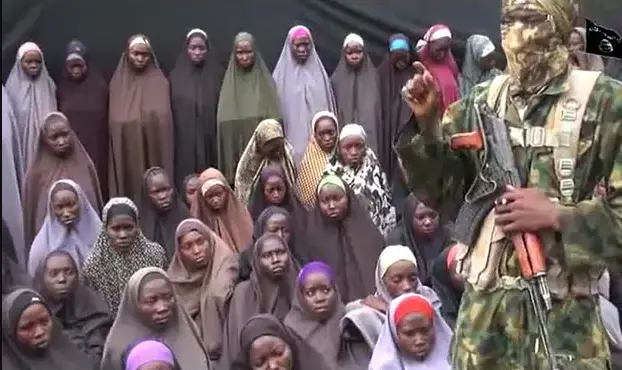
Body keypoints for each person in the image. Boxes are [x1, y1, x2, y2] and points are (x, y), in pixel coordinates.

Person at [397, 0, 621, 367]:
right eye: (508, 20)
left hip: (563, 324)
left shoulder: (604, 103)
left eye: (532, 19)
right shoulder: (482, 101)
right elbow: (442, 195)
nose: (517, 32)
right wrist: (428, 127)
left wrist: (558, 216)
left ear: (562, 24)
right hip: (485, 328)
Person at [101, 267, 210, 370]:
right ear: (134, 303)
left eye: (168, 297)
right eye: (151, 301)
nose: (162, 307)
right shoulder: (117, 349)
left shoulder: (188, 332)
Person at [22, 112, 103, 250]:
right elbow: (32, 213)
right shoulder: (36, 173)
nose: (61, 141)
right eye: (54, 137)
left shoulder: (85, 164)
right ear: (44, 139)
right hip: (51, 246)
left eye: (65, 134)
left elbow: (94, 204)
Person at [108, 34, 174, 199]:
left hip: (155, 151)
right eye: (135, 54)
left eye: (144, 55)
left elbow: (164, 121)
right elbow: (116, 123)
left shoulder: (160, 83)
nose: (140, 58)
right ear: (127, 55)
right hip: (129, 152)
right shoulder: (117, 85)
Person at [305, 174, 385, 302]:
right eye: (325, 201)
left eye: (337, 199)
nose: (331, 205)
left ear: (348, 198)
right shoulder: (313, 236)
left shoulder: (368, 232)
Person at [221, 234, 298, 368]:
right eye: (267, 256)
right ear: (256, 260)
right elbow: (235, 346)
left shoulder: (301, 287)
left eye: (280, 253)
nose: (275, 260)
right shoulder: (243, 294)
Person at [81, 198, 167, 314]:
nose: (123, 235)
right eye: (116, 229)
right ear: (105, 229)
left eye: (128, 227)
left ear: (137, 226)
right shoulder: (94, 264)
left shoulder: (155, 254)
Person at [168, 218, 238, 361]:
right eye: (188, 246)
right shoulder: (174, 281)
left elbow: (221, 293)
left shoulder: (225, 266)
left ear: (210, 241)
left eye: (200, 242)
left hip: (230, 352)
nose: (197, 250)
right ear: (179, 252)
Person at [217, 32, 281, 184]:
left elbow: (275, 123)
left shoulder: (266, 85)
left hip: (265, 166)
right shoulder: (228, 88)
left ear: (255, 52)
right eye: (240, 53)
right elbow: (223, 125)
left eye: (248, 52)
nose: (244, 57)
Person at [272, 25, 337, 164]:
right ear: (290, 46)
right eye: (298, 45)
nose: (302, 49)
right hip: (292, 146)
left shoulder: (320, 75)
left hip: (322, 146)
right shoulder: (279, 78)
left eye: (306, 44)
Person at [33, 251, 111, 363]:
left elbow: (98, 355)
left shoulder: (94, 308)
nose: (62, 279)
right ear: (42, 277)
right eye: (54, 274)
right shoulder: (33, 311)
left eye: (69, 272)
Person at [169, 29, 222, 189]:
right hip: (184, 141)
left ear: (207, 50)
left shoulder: (218, 75)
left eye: (201, 48)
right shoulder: (175, 77)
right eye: (193, 48)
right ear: (186, 49)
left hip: (211, 139)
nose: (197, 52)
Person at [57, 39, 109, 197]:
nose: (76, 70)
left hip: (97, 149)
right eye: (72, 65)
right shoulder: (61, 88)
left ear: (87, 64)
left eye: (79, 65)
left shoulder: (100, 87)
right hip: (69, 149)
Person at [326, 123, 396, 235]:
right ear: (339, 148)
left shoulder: (374, 169)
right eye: (347, 147)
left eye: (358, 146)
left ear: (365, 147)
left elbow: (386, 204)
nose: (353, 152)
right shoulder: (331, 175)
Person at [1, 288, 96, 370]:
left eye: (44, 321)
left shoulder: (71, 354)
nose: (40, 332)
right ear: (11, 332)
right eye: (27, 327)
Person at [28, 179, 102, 275]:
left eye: (70, 205)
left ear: (81, 203)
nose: (66, 213)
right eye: (60, 207)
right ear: (52, 209)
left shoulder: (99, 235)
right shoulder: (42, 244)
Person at [5, 42, 57, 168]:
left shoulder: (49, 85)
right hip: (21, 144)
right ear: (20, 63)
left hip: (45, 143)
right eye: (28, 62)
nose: (34, 65)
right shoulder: (11, 88)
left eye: (37, 62)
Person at [369, 293, 452, 370]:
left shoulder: (457, 361)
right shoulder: (383, 367)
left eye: (425, 331)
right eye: (409, 334)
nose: (419, 341)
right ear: (394, 333)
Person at [331, 33, 380, 152]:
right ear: (344, 54)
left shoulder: (376, 78)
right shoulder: (335, 80)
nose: (354, 56)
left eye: (358, 52)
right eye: (350, 53)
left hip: (370, 137)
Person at [234, 118, 297, 206]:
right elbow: (244, 192)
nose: (276, 151)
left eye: (277, 145)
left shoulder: (289, 155)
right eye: (270, 146)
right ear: (260, 143)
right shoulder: (248, 164)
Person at [137, 167, 189, 261]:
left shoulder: (185, 217)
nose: (163, 196)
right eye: (156, 192)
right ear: (146, 194)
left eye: (166, 189)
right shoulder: (138, 224)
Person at [295, 111, 340, 208]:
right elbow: (305, 200)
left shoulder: (345, 156)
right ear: (315, 135)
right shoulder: (308, 163)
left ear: (337, 131)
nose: (327, 138)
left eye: (331, 133)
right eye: (322, 134)